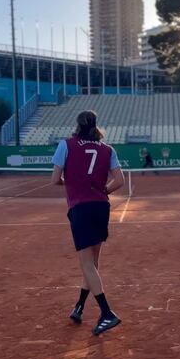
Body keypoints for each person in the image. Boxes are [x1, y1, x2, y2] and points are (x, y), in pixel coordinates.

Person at [51, 110, 125, 336]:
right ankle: (80, 307)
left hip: (81, 208)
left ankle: (106, 313)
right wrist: (103, 190)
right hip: (101, 207)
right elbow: (119, 181)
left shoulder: (66, 145)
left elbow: (55, 180)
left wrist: (73, 183)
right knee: (92, 263)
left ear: (77, 124)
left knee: (86, 263)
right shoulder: (108, 149)